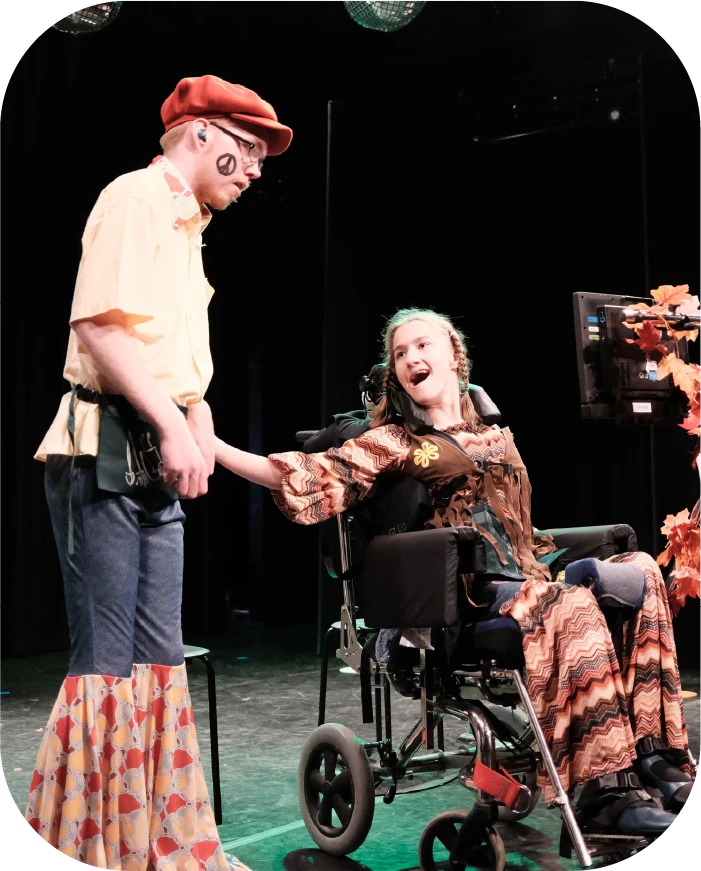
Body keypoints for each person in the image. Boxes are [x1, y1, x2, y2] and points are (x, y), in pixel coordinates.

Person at [214, 306, 695, 835]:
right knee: (573, 603)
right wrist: (213, 449)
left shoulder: (494, 431)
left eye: (422, 346)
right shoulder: (397, 441)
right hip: (464, 597)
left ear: (454, 356)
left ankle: (655, 752)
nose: (411, 359)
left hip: (524, 579)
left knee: (642, 570)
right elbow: (308, 473)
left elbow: (521, 532)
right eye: (399, 354)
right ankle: (604, 794)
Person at [26, 74, 292, 871]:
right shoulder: (135, 198)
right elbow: (99, 329)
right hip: (99, 448)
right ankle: (89, 845)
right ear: (201, 133)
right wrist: (174, 423)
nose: (250, 172)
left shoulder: (188, 229)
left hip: (153, 449)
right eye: (244, 153)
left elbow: (180, 364)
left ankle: (158, 838)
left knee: (157, 656)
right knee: (107, 660)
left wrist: (197, 419)